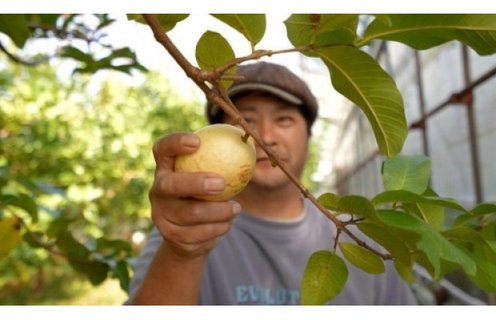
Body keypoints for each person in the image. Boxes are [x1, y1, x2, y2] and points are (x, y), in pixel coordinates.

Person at [126, 61, 417, 305]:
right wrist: (181, 253)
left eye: (284, 119)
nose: (265, 135)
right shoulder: (190, 230)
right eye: (246, 121)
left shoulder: (360, 239)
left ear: (308, 140)